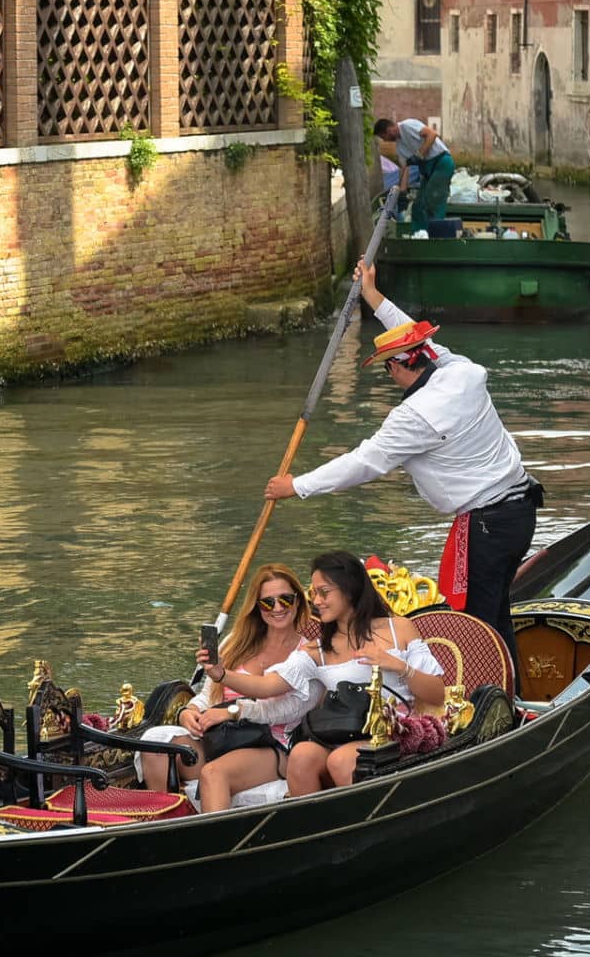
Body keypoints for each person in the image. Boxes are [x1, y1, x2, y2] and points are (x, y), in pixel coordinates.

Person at [262, 262, 543, 673]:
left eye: (387, 368)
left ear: (396, 367)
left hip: (487, 526)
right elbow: (415, 334)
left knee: (478, 624)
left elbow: (363, 463)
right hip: (521, 512)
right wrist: (373, 297)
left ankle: (487, 704)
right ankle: (508, 688)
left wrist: (296, 486)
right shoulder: (460, 371)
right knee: (497, 612)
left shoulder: (413, 417)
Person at [207, 551, 448, 795]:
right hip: (343, 730)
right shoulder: (317, 650)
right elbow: (268, 686)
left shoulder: (399, 629)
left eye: (324, 592)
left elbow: (437, 694)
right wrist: (221, 674)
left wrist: (395, 664)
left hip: (395, 730)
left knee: (341, 759)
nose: (317, 601)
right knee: (301, 755)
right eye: (314, 594)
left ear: (350, 589)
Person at [135, 564, 315, 811]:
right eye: (267, 603)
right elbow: (208, 695)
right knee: (155, 745)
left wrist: (232, 711)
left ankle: (214, 846)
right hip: (221, 736)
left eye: (285, 599)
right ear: (256, 606)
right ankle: (168, 823)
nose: (278, 608)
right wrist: (188, 712)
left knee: (214, 773)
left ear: (297, 601)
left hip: (272, 745)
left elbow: (284, 710)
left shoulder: (307, 653)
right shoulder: (237, 642)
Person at [374, 116, 455, 232]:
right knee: (418, 206)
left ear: (388, 130)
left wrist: (419, 155)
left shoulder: (408, 126)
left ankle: (436, 235)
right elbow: (404, 167)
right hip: (428, 170)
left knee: (432, 199)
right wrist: (402, 191)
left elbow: (432, 134)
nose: (385, 141)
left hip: (441, 163)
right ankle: (419, 235)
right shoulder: (400, 147)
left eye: (384, 137)